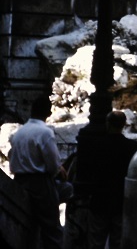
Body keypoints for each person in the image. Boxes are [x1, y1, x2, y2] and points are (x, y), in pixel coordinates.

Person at [9, 95, 67, 249]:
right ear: (48, 113)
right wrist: (59, 170)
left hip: (19, 181)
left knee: (26, 223)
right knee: (52, 229)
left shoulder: (19, 133)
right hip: (40, 185)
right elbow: (53, 165)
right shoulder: (44, 132)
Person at [86, 110, 137, 249]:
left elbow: (89, 171)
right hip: (121, 200)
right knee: (118, 242)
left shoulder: (95, 145)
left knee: (96, 241)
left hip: (99, 199)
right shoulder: (133, 147)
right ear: (123, 125)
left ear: (107, 124)